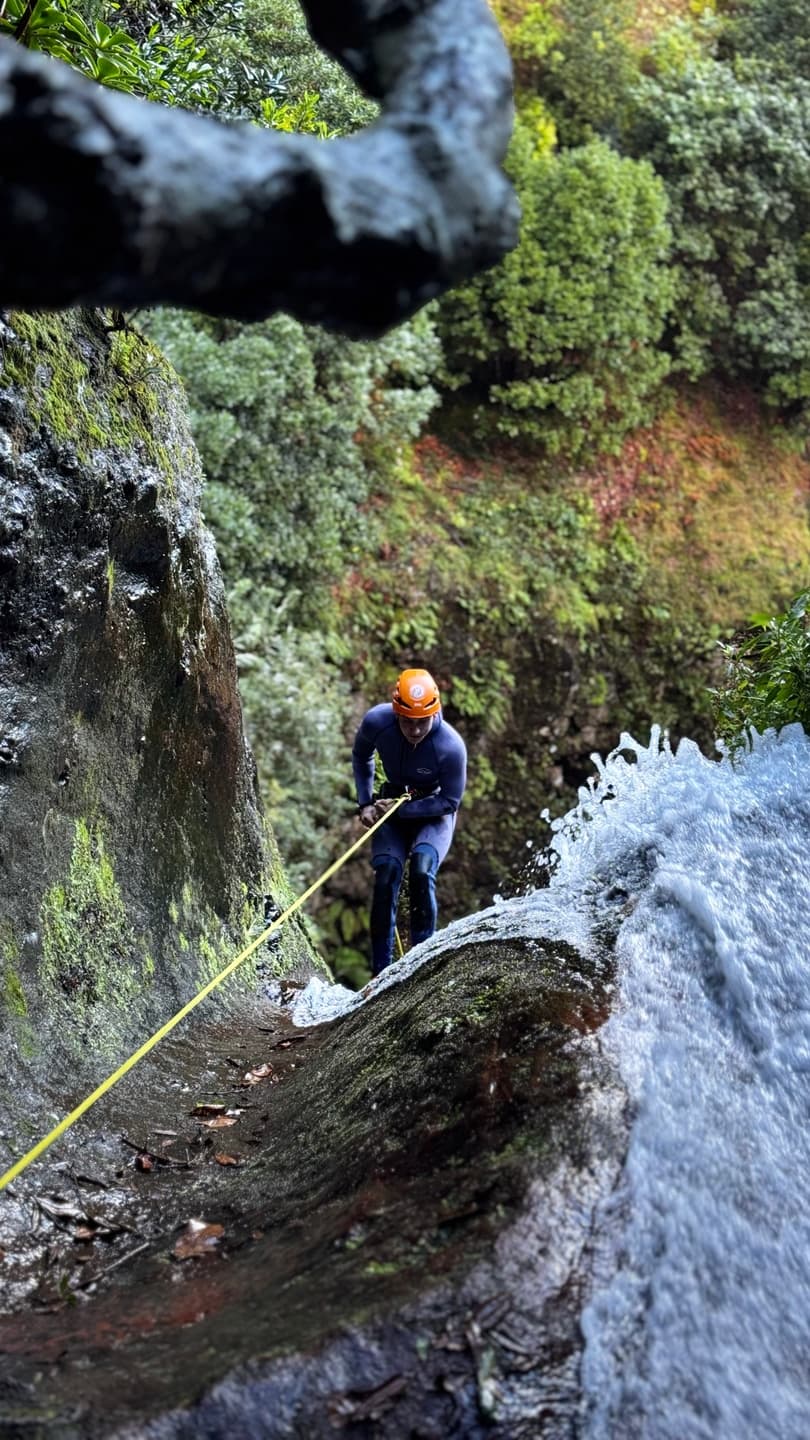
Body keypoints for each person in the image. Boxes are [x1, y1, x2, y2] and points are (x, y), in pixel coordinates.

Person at [352, 667, 467, 976]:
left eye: (422, 722)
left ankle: (421, 966)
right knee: (386, 876)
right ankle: (380, 973)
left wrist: (401, 811)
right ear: (396, 710)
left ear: (435, 713)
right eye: (407, 721)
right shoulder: (378, 722)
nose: (414, 730)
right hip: (391, 803)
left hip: (432, 811)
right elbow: (361, 755)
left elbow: (450, 801)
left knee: (421, 871)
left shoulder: (450, 746)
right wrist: (364, 803)